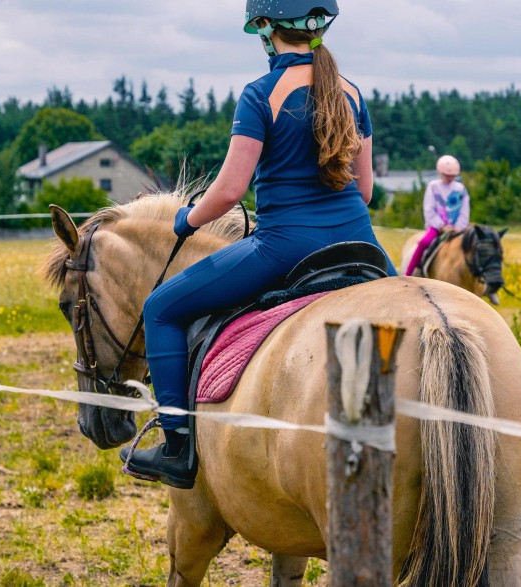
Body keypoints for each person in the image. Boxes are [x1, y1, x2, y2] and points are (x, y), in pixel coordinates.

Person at [121, 0, 397, 489]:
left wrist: (187, 219)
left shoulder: (261, 94)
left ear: (266, 30)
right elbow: (366, 190)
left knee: (161, 307)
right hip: (362, 246)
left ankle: (178, 446)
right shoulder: (352, 93)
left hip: (285, 248)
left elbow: (229, 191)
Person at [404, 154, 471, 276]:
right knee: (424, 242)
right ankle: (408, 273)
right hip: (437, 227)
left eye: (452, 176)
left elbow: (464, 210)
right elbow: (429, 208)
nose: (450, 178)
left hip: (458, 228)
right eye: (447, 175)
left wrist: (459, 227)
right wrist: (441, 226)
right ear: (440, 173)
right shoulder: (434, 186)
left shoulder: (461, 189)